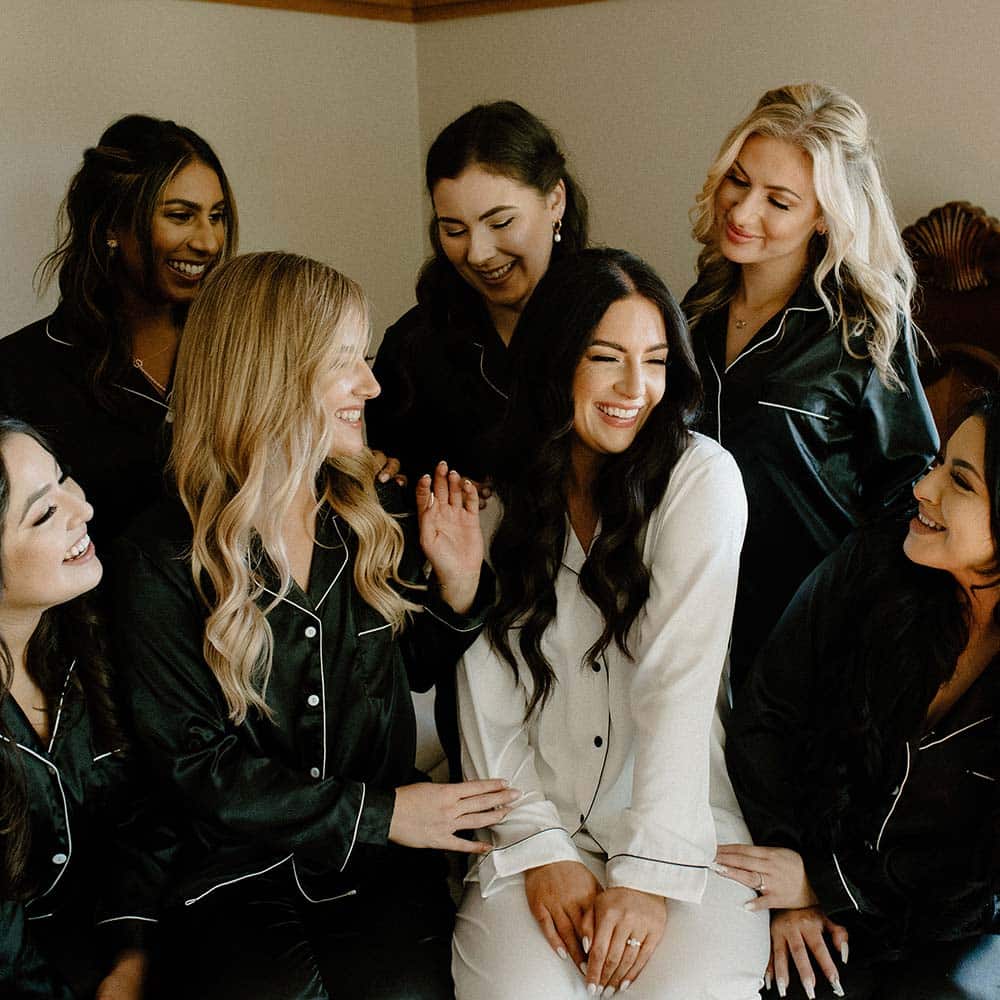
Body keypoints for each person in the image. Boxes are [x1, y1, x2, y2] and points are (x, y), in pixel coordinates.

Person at [111, 252, 515, 1000]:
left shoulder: (375, 513)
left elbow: (412, 666)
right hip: (233, 874)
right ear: (270, 377)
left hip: (378, 870)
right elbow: (197, 766)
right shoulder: (160, 556)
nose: (371, 384)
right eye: (344, 364)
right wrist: (382, 812)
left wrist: (460, 588)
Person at [453, 249, 770, 998]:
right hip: (536, 823)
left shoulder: (702, 482)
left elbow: (679, 683)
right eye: (607, 358)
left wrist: (649, 874)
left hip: (684, 831)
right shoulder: (497, 495)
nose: (637, 389)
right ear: (556, 361)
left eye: (656, 361)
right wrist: (536, 845)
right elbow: (485, 678)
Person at [722, 394, 1000, 999]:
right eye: (938, 463)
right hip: (790, 866)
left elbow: (984, 878)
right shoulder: (872, 562)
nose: (923, 488)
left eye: (960, 481)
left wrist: (827, 883)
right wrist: (793, 878)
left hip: (944, 932)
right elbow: (767, 715)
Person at [683, 82, 938, 689]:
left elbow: (908, 488)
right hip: (690, 616)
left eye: (779, 200)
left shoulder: (863, 330)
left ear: (823, 215)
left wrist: (852, 619)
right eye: (738, 181)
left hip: (807, 640)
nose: (743, 213)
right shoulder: (695, 309)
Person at [0, 115, 238, 545]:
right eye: (181, 215)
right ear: (112, 224)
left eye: (217, 216)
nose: (209, 242)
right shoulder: (19, 373)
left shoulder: (239, 351)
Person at [0, 417, 161, 999]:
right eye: (44, 513)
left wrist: (133, 949)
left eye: (65, 478)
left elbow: (143, 810)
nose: (83, 509)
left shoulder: (89, 634)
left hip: (136, 940)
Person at [367, 99, 589, 488]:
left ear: (555, 200)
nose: (477, 253)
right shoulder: (411, 348)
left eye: (500, 222)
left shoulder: (614, 325)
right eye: (454, 230)